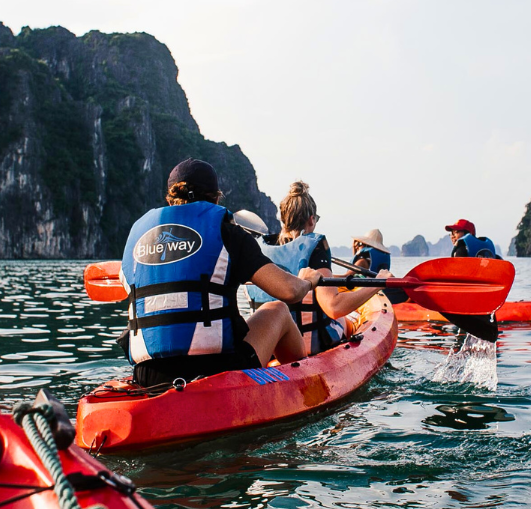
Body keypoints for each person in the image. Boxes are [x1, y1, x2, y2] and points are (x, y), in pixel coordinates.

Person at [120, 159, 323, 389]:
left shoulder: (137, 237)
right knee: (277, 310)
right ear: (216, 197)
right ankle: (302, 385)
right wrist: (307, 280)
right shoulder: (227, 231)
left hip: (148, 375)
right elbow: (289, 291)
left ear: (170, 198)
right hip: (215, 371)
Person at [247, 181, 392, 355]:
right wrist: (378, 284)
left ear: (283, 219)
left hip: (267, 348)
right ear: (312, 219)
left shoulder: (258, 247)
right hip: (309, 348)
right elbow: (334, 307)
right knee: (347, 322)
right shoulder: (314, 246)